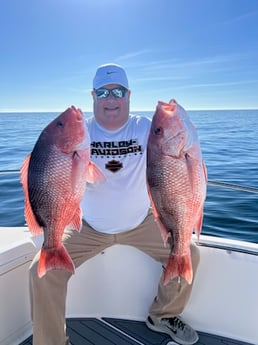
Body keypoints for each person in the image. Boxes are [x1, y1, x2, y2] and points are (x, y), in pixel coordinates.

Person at [29, 63, 200, 345]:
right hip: (88, 226)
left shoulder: (146, 128)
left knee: (188, 252)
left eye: (118, 91)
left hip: (141, 222)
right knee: (41, 272)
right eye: (103, 92)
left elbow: (178, 147)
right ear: (93, 96)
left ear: (129, 95)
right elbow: (50, 170)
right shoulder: (80, 133)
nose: (111, 99)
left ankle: (163, 315)